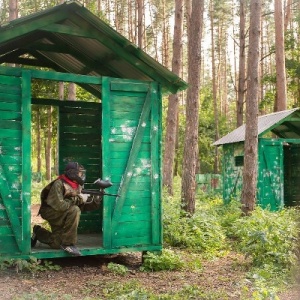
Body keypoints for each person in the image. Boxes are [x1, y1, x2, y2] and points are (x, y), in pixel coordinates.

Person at [31, 162, 101, 256]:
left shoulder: (77, 186)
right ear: (73, 173)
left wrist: (95, 200)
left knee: (56, 243)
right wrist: (79, 198)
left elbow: (82, 206)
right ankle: (68, 244)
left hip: (62, 213)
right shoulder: (58, 184)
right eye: (80, 173)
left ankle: (38, 231)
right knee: (74, 210)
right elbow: (60, 205)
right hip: (50, 211)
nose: (82, 175)